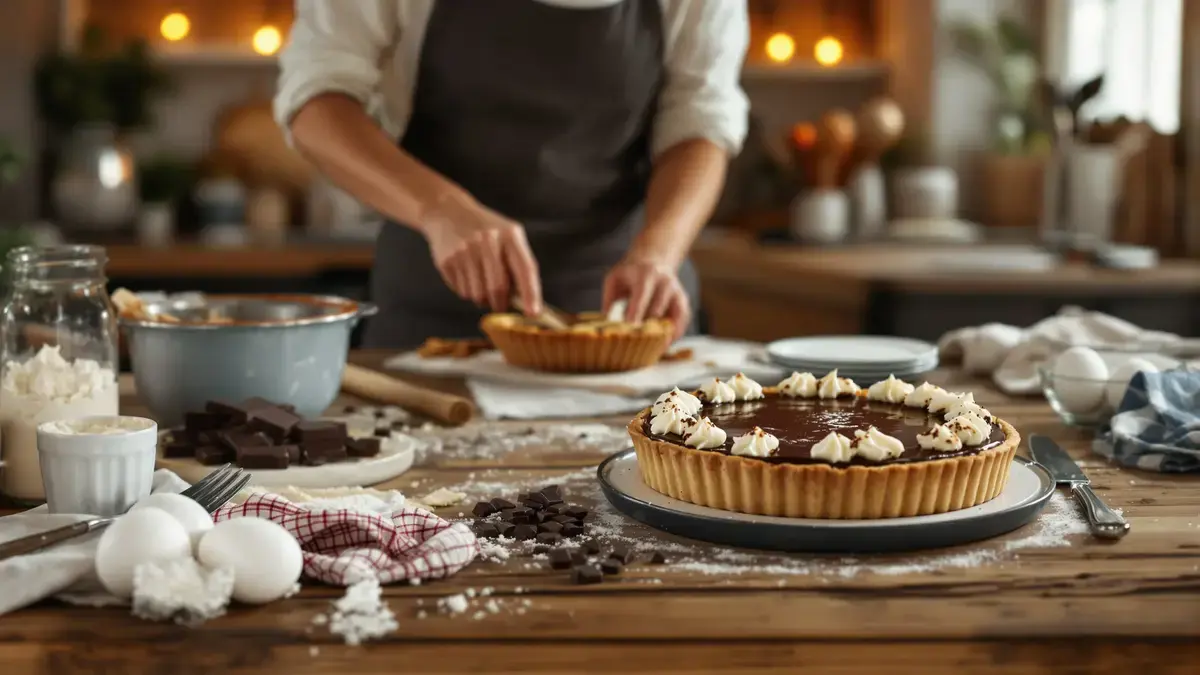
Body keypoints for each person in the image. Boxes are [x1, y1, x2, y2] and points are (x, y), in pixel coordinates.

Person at [276, 0, 749, 349]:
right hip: (433, 327)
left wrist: (659, 252)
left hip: (628, 323)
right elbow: (316, 105)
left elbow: (700, 124)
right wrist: (440, 209)